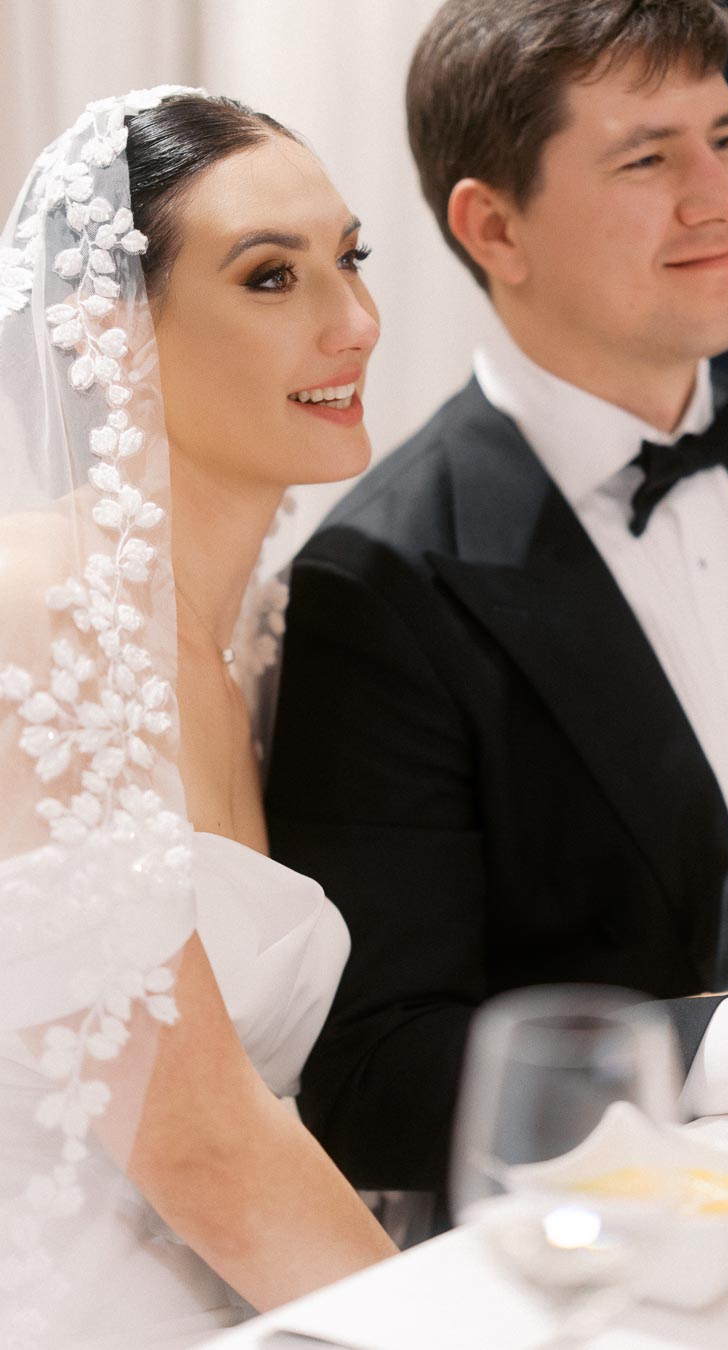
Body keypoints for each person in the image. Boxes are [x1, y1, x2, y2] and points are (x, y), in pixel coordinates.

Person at [265, 0, 728, 1223]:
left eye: (726, 137)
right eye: (648, 157)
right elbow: (372, 1075)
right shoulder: (388, 575)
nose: (718, 197)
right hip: (674, 1200)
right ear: (493, 224)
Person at [0, 88, 395, 1347]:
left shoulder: (269, 641)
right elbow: (203, 1146)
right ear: (108, 335)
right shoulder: (35, 620)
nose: (357, 323)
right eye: (272, 278)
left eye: (350, 258)